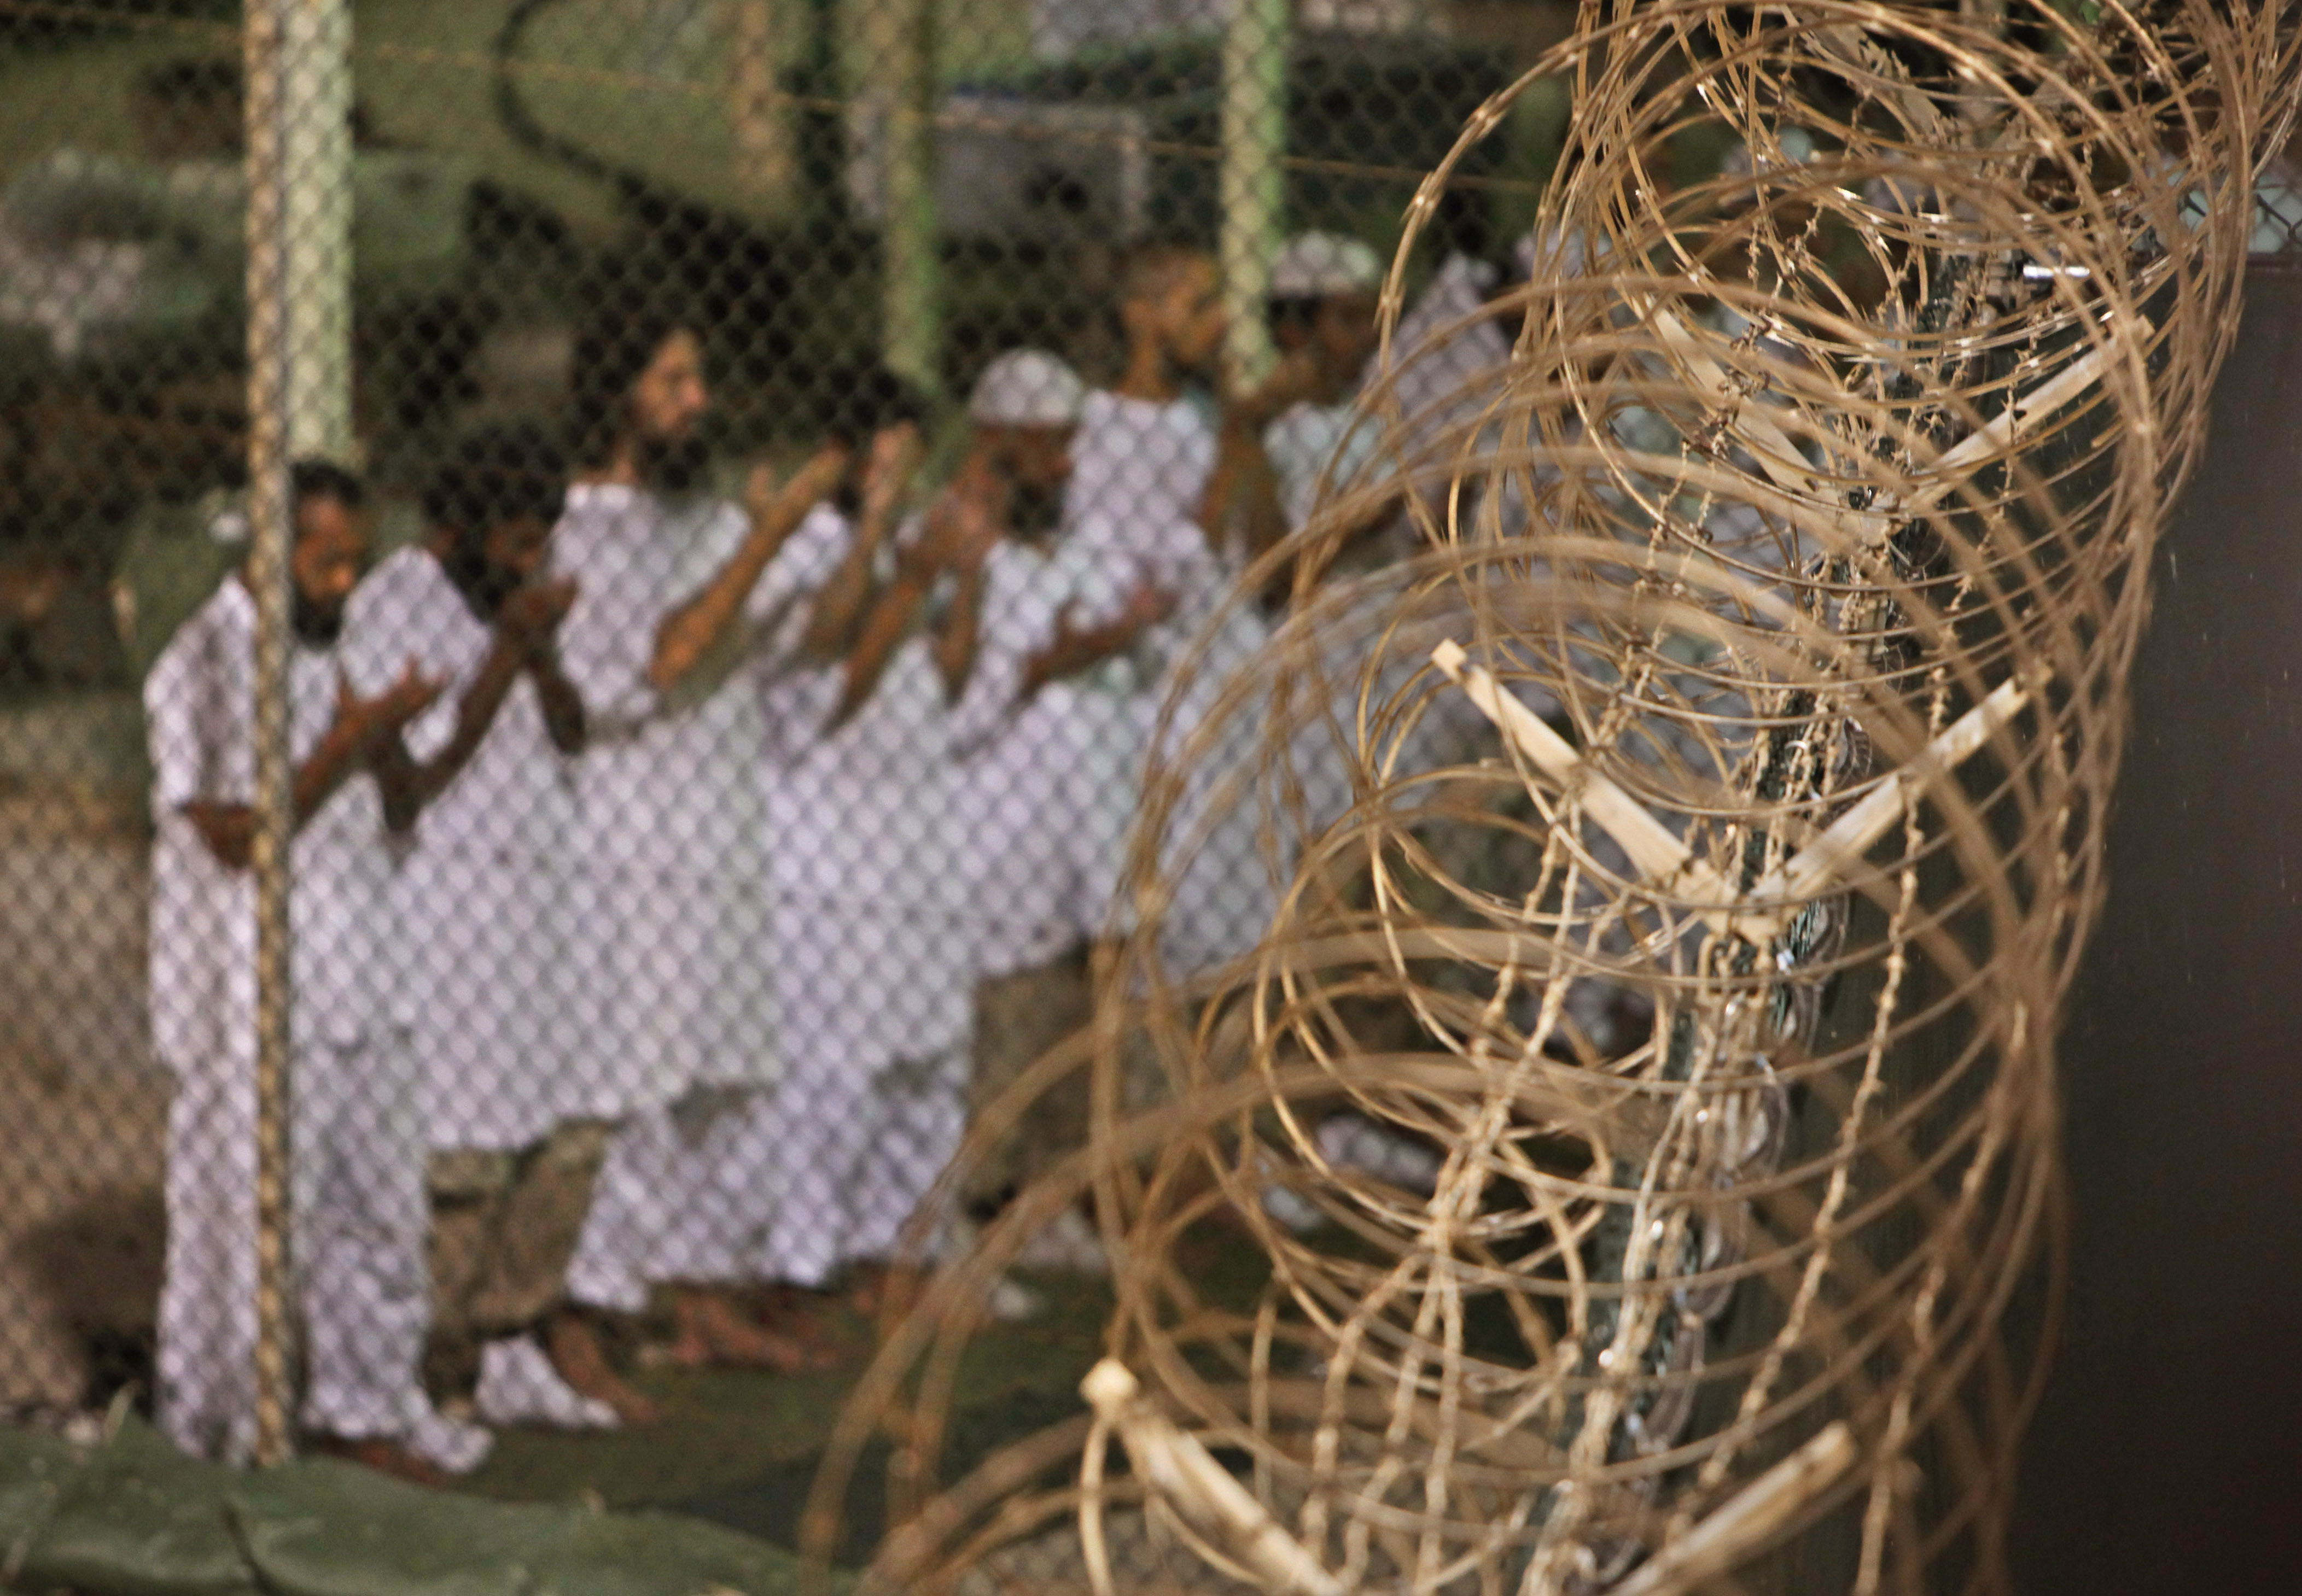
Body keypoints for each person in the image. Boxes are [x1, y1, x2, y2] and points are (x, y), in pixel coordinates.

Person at [146, 461, 484, 1481]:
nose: (343, 583)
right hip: (247, 984)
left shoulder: (350, 635)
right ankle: (219, 1431)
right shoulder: (201, 659)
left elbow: (407, 796)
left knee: (379, 1205)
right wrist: (346, 739)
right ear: (266, 550)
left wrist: (383, 739)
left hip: (367, 965)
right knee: (248, 1220)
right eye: (323, 560)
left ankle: (368, 1405)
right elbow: (233, 837)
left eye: (356, 561)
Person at [545, 291, 836, 1420]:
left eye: (698, 379)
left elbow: (781, 635)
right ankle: (598, 1310)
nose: (695, 401)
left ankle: (702, 1293)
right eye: (670, 381)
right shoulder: (582, 524)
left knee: (726, 1069)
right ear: (617, 392)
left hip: (722, 828)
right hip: (634, 840)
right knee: (641, 1080)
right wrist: (768, 533)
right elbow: (664, 656)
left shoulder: (703, 519)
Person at [336, 424, 620, 1429]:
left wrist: (538, 652)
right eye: (509, 541)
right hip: (443, 913)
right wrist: (509, 649)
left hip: (541, 905)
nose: (527, 557)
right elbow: (411, 783)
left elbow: (573, 731)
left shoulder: (526, 597)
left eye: (538, 541)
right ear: (455, 528)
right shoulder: (393, 604)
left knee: (566, 1128)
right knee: (458, 1149)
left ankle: (511, 1339)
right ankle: (436, 1367)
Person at [936, 350, 1172, 1214]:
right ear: (993, 442)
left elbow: (1135, 635)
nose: (1065, 465)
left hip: (1083, 828)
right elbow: (959, 711)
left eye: (1069, 445)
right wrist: (1063, 658)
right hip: (993, 836)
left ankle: (1051, 1196)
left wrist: (1091, 647)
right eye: (1044, 447)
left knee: (1073, 1024)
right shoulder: (949, 550)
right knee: (1002, 1025)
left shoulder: (1084, 545)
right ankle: (982, 1206)